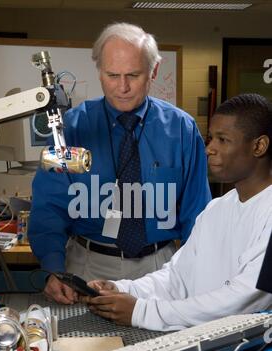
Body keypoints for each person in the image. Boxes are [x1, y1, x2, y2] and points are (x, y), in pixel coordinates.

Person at [28, 22, 211, 304]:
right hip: (87, 268)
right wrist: (53, 268)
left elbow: (196, 214)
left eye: (133, 75)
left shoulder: (182, 130)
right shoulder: (70, 130)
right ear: (99, 71)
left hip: (161, 267)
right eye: (112, 75)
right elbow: (50, 206)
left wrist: (198, 274)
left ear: (154, 71)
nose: (122, 87)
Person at [79, 93, 272, 331]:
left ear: (258, 146)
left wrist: (141, 311)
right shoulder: (216, 209)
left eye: (223, 140)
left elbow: (245, 297)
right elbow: (177, 277)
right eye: (210, 138)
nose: (209, 148)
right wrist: (123, 289)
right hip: (202, 342)